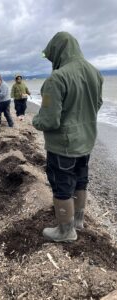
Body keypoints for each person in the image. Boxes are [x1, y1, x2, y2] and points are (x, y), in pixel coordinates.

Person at [32, 32, 103, 242]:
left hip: (63, 145)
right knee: (81, 180)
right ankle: (78, 221)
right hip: (87, 140)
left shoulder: (58, 77)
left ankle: (65, 231)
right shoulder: (96, 73)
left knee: (61, 185)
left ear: (58, 51)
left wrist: (35, 121)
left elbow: (49, 120)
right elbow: (97, 105)